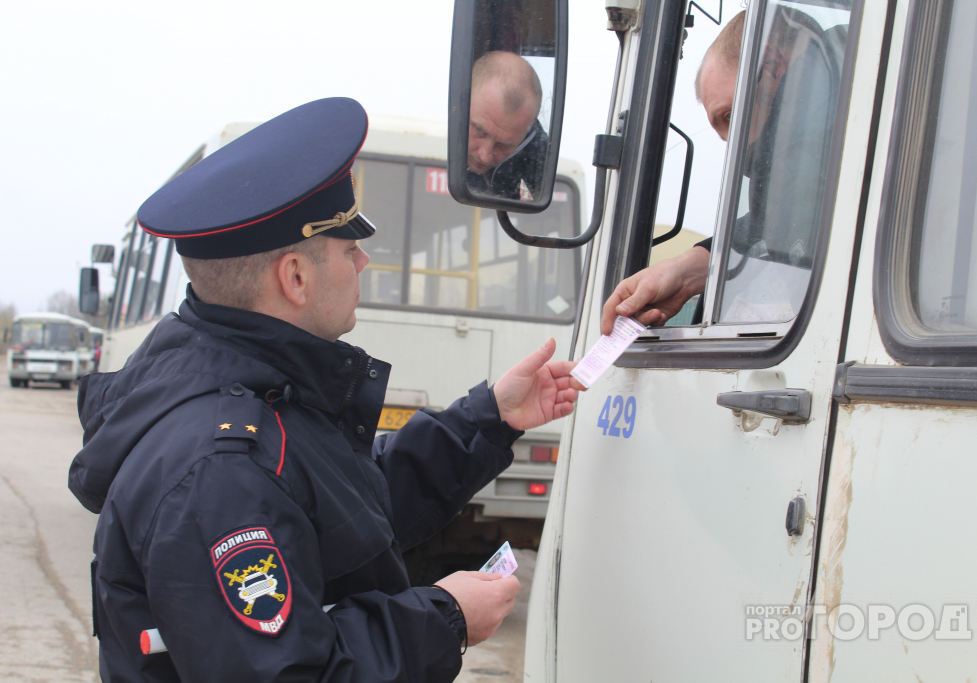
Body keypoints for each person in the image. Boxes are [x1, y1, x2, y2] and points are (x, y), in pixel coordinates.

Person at [68, 97, 584, 682]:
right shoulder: (219, 472)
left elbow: (347, 507)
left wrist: (490, 417)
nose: (363, 262)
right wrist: (445, 618)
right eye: (348, 248)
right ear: (295, 277)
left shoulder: (253, 393)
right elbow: (293, 674)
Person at [601, 8, 832, 334]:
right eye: (726, 135)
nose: (737, 150)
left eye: (731, 117)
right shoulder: (826, 175)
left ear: (769, 65)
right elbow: (767, 226)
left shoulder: (825, 152)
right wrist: (685, 272)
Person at [466, 51, 548, 201]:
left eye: (504, 145)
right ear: (462, 106)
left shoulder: (536, 151)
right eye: (479, 130)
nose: (485, 157)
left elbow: (553, 206)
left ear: (525, 135)